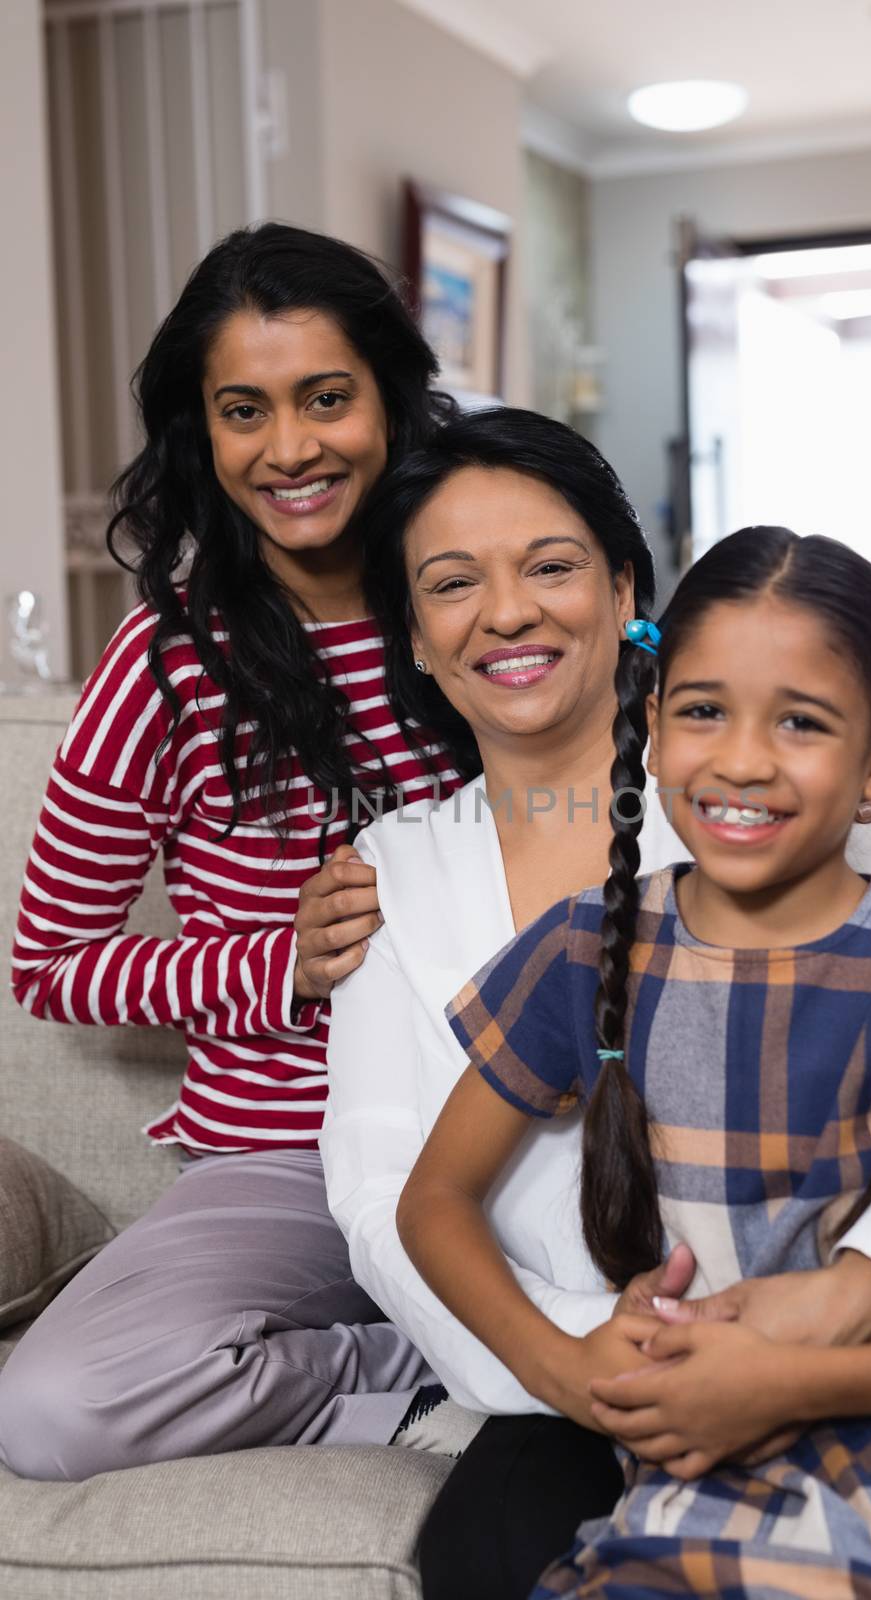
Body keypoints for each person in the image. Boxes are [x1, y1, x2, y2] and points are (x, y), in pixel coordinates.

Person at [310, 412, 871, 1596]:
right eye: (451, 583)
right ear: (416, 637)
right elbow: (386, 1198)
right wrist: (588, 1357)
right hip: (572, 1376)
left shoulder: (785, 797)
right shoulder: (392, 873)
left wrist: (839, 1305)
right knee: (488, 1556)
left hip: (863, 1340)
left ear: (628, 590)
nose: (507, 612)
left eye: (549, 566)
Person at [0, 221, 471, 1481]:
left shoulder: (487, 602)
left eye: (326, 397)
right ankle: (434, 1376)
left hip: (515, 1141)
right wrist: (280, 963)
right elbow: (50, 960)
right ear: (200, 434)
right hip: (289, 1163)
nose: (290, 447)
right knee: (52, 1408)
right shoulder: (165, 663)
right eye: (243, 409)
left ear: (390, 400)